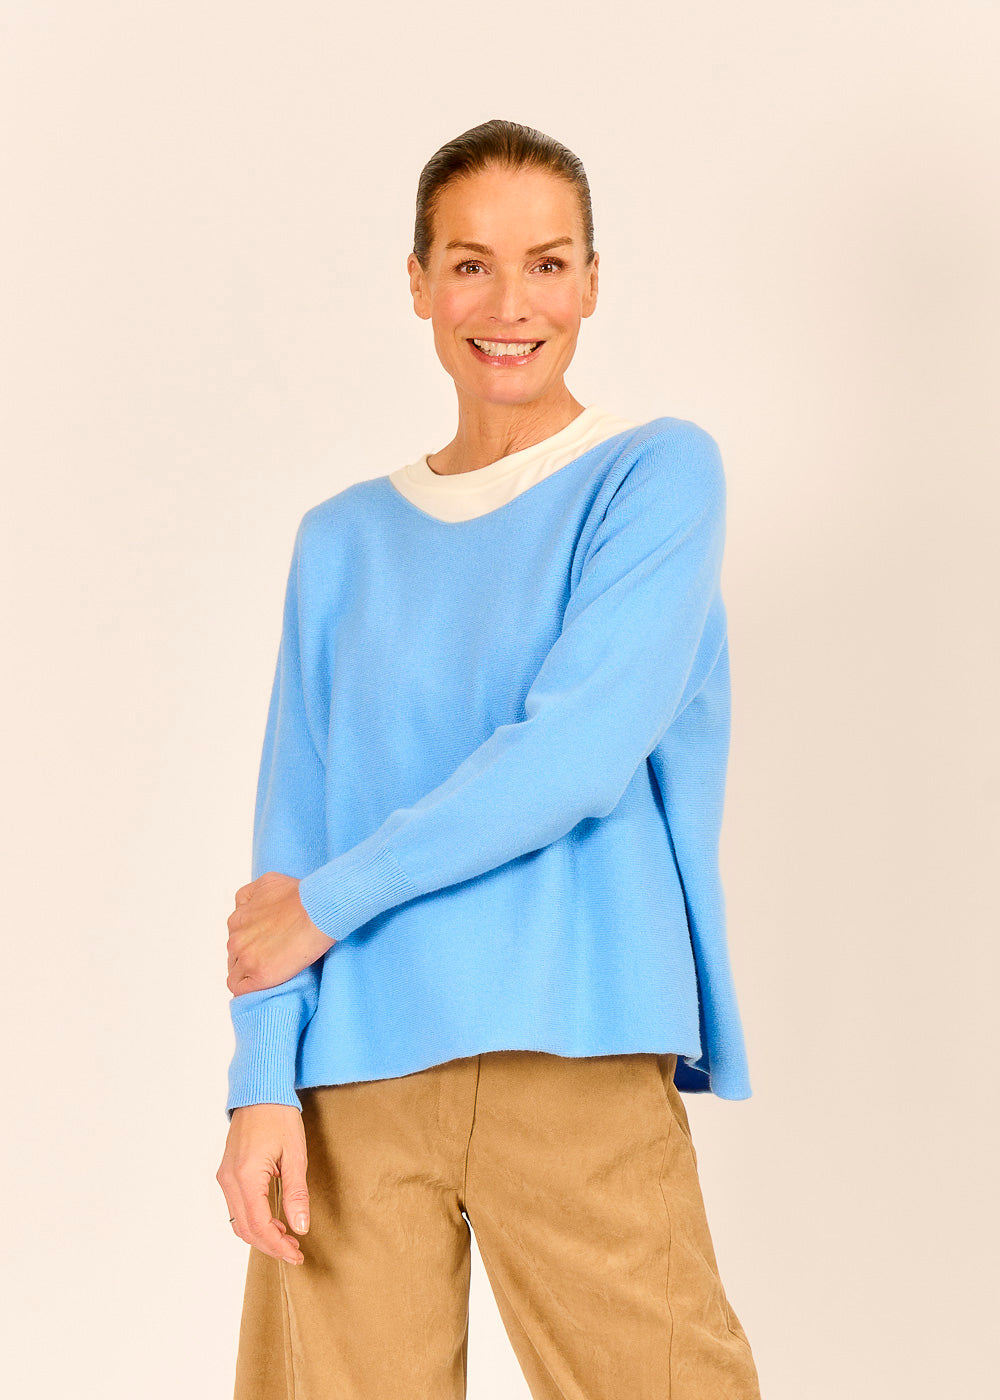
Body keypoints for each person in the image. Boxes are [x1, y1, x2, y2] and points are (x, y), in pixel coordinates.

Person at [216, 117, 763, 1400]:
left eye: (546, 263)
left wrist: (329, 904)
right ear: (418, 283)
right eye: (470, 263)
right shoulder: (341, 538)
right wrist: (259, 1079)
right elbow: (290, 830)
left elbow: (572, 754)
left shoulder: (652, 475)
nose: (510, 303)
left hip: (572, 1037)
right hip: (352, 1064)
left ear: (591, 282)